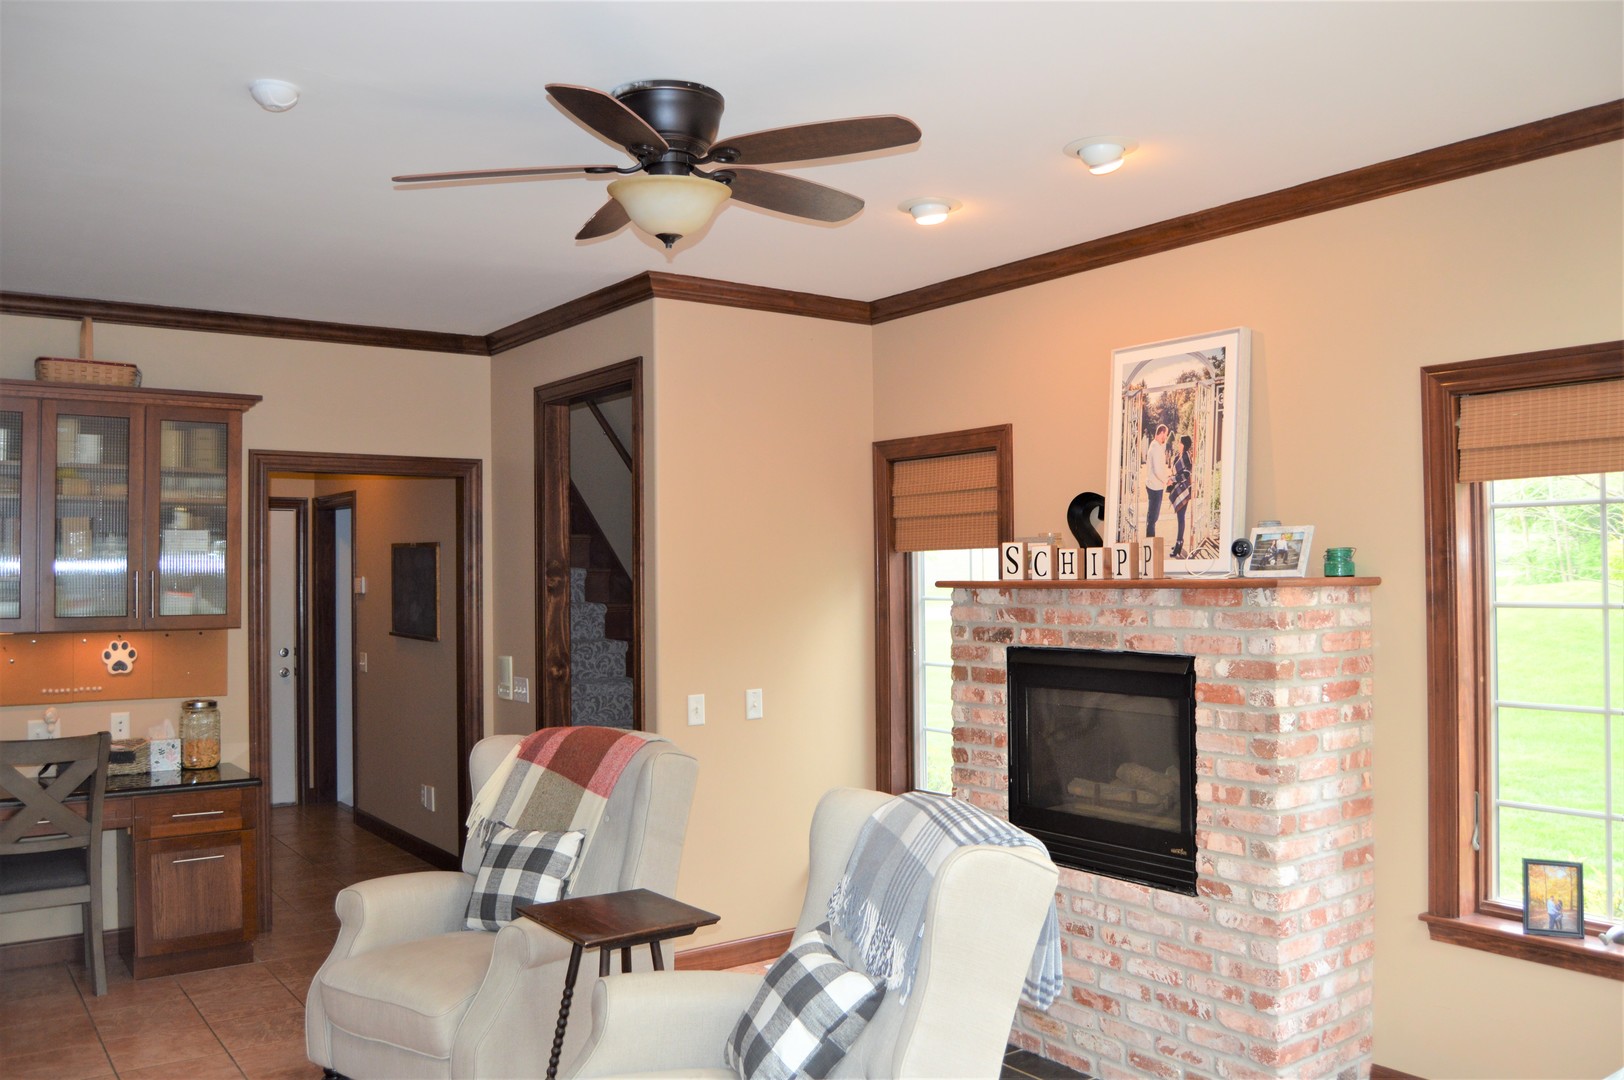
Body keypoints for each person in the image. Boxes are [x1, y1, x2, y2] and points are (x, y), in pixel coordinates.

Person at [1142, 425, 1171, 538]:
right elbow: (1157, 470)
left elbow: (1159, 467)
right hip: (1155, 487)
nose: (1167, 437)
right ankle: (1150, 542)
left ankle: (1150, 541)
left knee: (1152, 517)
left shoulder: (1156, 446)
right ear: (1162, 433)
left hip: (1154, 485)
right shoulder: (1155, 448)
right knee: (1153, 518)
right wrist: (1166, 480)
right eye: (1166, 434)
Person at [1169, 434, 1193, 558]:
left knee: (1181, 517)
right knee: (1179, 517)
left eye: (1180, 442)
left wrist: (1173, 479)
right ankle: (1179, 542)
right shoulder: (1178, 456)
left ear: (1184, 444)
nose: (1178, 444)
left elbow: (1186, 475)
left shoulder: (1187, 457)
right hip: (1179, 489)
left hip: (1184, 490)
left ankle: (1179, 544)